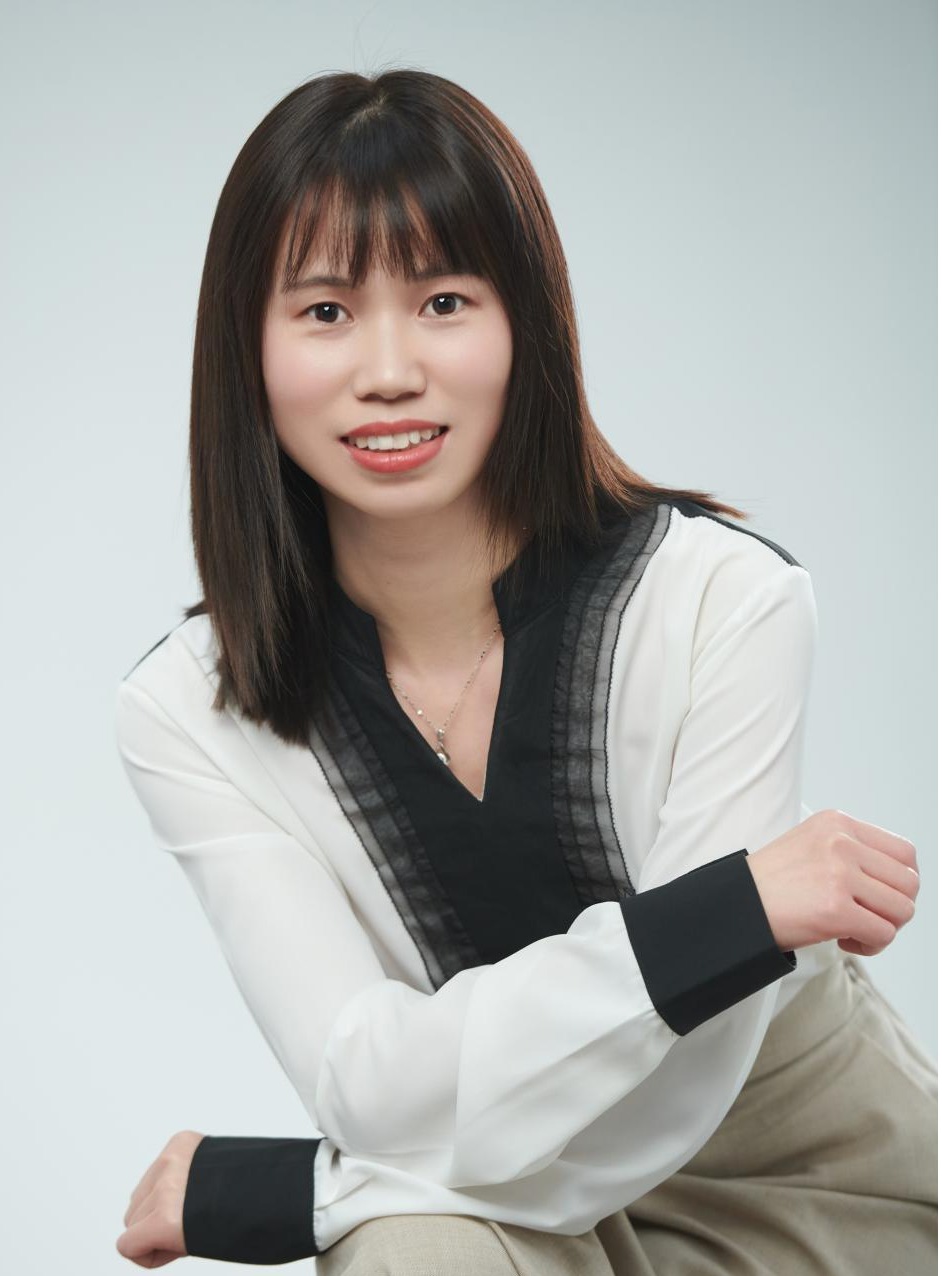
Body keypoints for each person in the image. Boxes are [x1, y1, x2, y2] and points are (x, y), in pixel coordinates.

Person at [113, 69, 937, 1273]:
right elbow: (364, 1084)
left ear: (525, 325)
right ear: (247, 345)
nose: (388, 369)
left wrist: (285, 1194)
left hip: (810, 1183)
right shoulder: (189, 711)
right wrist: (725, 913)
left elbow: (682, 1079)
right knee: (408, 1253)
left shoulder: (719, 600)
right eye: (326, 310)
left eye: (443, 300)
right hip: (497, 1213)